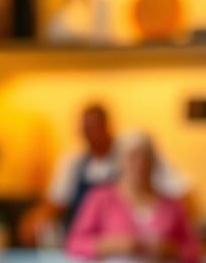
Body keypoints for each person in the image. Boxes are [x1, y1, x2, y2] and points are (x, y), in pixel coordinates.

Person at [65, 131, 203, 263]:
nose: (138, 163)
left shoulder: (171, 205)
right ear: (119, 161)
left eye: (144, 156)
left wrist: (170, 250)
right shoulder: (100, 199)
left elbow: (195, 253)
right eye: (131, 156)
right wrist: (112, 246)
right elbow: (74, 244)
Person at [19, 102, 189, 245]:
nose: (91, 134)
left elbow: (182, 193)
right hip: (88, 250)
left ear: (108, 126)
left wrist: (174, 235)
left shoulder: (135, 156)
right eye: (86, 129)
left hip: (131, 249)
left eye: (95, 127)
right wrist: (36, 219)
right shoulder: (73, 164)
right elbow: (56, 202)